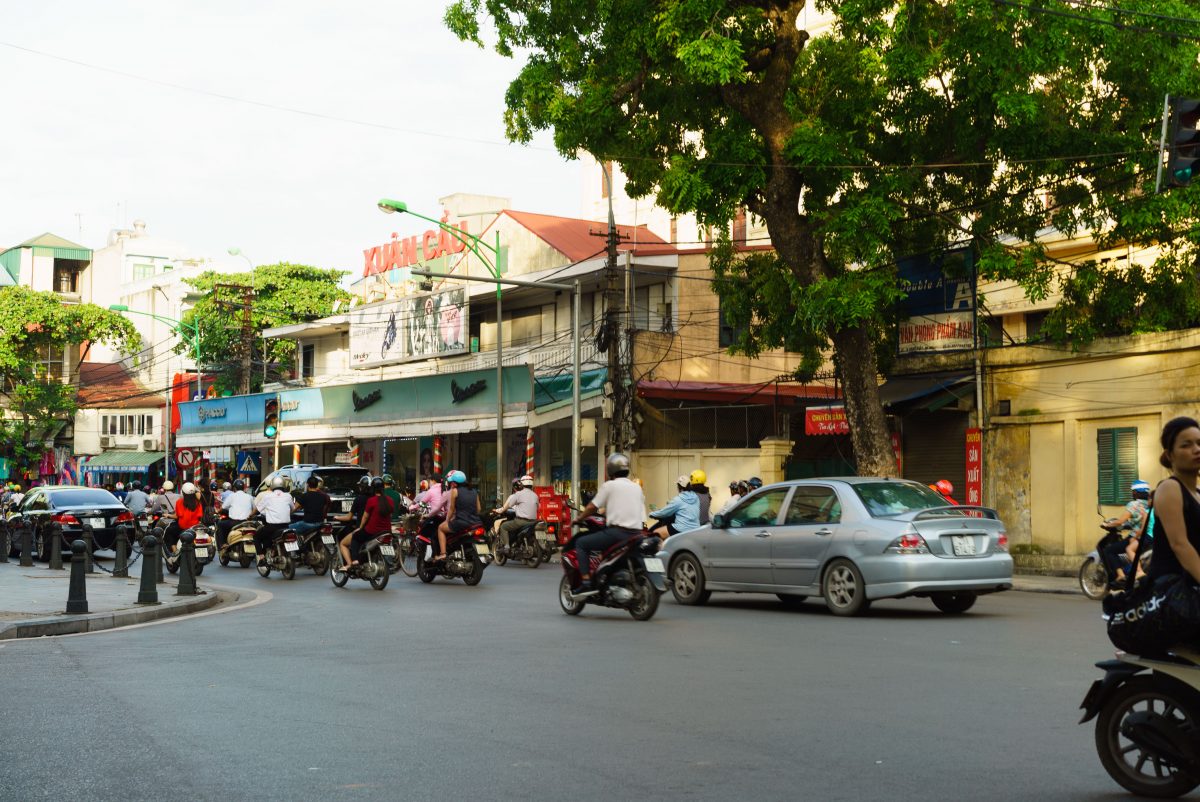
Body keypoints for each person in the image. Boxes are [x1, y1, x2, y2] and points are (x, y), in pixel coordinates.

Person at [570, 453, 646, 595]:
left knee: (581, 543)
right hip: (637, 534)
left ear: (610, 469)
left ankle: (586, 581)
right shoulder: (637, 488)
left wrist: (579, 518)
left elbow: (592, 507)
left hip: (617, 534)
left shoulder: (609, 486)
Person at [1148, 417, 1200, 597]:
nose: (1196, 449)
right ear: (1170, 455)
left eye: (1199, 443)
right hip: (1173, 596)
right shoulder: (1170, 488)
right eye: (1186, 445)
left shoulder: (1197, 493)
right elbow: (1180, 544)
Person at [340, 477, 393, 569]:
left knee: (356, 536)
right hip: (386, 531)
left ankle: (355, 560)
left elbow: (365, 517)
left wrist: (360, 527)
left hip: (372, 531)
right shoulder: (390, 500)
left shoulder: (371, 501)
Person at [1102, 480, 1151, 581]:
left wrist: (1107, 524)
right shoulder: (1149, 504)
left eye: (1133, 491)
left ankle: (1121, 575)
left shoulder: (1133, 504)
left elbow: (1120, 521)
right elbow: (1138, 521)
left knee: (1109, 550)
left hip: (1136, 536)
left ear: (1136, 492)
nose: (1132, 493)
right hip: (1149, 537)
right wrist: (1126, 526)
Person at [435, 470, 480, 560]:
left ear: (455, 483)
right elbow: (478, 509)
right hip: (476, 522)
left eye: (451, 482)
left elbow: (451, 509)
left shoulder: (455, 491)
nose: (451, 484)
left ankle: (443, 553)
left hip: (462, 522)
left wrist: (447, 521)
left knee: (440, 528)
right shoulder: (474, 491)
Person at [254, 476, 298, 563]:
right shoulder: (288, 496)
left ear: (272, 485)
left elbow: (258, 509)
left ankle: (262, 558)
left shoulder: (268, 497)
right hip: (286, 526)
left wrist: (251, 515)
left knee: (256, 537)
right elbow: (293, 509)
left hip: (272, 527)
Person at [493, 475, 540, 553]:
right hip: (533, 522)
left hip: (521, 521)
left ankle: (507, 546)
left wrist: (500, 511)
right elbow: (537, 507)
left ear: (522, 484)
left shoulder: (518, 494)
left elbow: (507, 506)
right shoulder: (535, 495)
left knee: (503, 526)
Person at [649, 475, 700, 539]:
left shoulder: (678, 499)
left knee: (656, 532)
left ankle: (663, 548)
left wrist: (651, 514)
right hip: (696, 528)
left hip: (682, 528)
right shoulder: (696, 497)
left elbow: (664, 512)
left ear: (679, 487)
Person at [164, 482, 204, 553]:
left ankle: (174, 550)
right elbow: (199, 516)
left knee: (169, 531)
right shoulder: (198, 503)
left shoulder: (180, 502)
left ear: (183, 492)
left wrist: (168, 515)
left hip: (182, 527)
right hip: (194, 528)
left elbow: (176, 516)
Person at [217, 479, 254, 550]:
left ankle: (223, 544)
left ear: (234, 488)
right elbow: (255, 509)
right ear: (243, 488)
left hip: (234, 522)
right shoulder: (249, 497)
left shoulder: (232, 496)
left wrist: (218, 511)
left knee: (220, 524)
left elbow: (222, 507)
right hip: (247, 523)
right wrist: (250, 515)